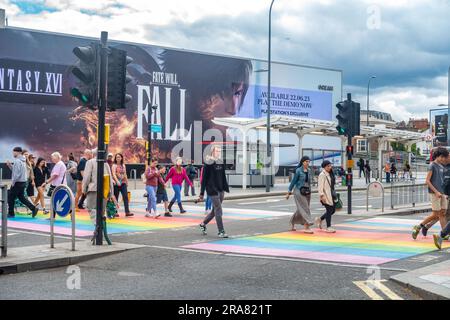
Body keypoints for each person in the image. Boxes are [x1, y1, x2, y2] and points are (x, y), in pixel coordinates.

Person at [412, 147, 450, 240]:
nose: (444, 159)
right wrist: (436, 192)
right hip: (434, 193)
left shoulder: (441, 166)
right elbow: (427, 181)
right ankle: (420, 226)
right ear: (439, 156)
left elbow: (442, 181)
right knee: (437, 214)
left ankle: (443, 234)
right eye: (443, 157)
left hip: (442, 193)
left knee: (443, 213)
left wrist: (444, 193)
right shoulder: (432, 165)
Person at [198, 145, 230, 238]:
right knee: (219, 209)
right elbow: (204, 179)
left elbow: (223, 176)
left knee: (214, 211)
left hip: (220, 190)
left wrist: (225, 188)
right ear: (212, 152)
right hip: (212, 190)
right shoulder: (208, 163)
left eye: (219, 151)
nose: (218, 152)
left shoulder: (220, 162)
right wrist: (201, 193)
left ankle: (203, 224)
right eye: (217, 151)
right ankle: (221, 231)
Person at [82, 149, 117, 227]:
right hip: (105, 190)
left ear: (92, 154)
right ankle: (101, 224)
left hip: (93, 189)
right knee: (101, 210)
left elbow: (86, 177)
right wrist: (111, 193)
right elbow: (110, 179)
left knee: (91, 207)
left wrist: (84, 188)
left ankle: (97, 225)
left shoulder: (90, 162)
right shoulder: (106, 164)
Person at [6, 147, 38, 218]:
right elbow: (16, 171)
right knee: (21, 197)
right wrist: (10, 166)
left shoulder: (17, 161)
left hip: (17, 182)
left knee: (10, 197)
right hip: (23, 182)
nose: (13, 154)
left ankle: (11, 213)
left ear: (17, 152)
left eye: (13, 152)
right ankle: (33, 208)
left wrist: (13, 182)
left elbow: (16, 174)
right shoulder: (23, 160)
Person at [286, 156, 314, 233]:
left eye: (308, 161)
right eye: (306, 161)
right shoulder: (298, 170)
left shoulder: (309, 170)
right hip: (298, 191)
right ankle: (307, 226)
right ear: (302, 162)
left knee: (301, 209)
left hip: (307, 191)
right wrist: (289, 192)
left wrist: (310, 192)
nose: (308, 163)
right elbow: (293, 182)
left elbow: (309, 183)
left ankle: (292, 222)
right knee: (305, 208)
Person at [316, 160, 337, 233]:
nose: (330, 167)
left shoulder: (330, 173)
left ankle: (320, 219)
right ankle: (328, 227)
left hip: (331, 195)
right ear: (324, 167)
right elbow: (320, 186)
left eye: (330, 166)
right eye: (328, 166)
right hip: (325, 196)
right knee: (329, 210)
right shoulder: (322, 174)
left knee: (333, 210)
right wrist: (322, 195)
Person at [112, 153, 133, 218]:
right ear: (115, 158)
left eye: (119, 157)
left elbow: (125, 173)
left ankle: (127, 212)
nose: (118, 158)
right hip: (116, 184)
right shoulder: (114, 165)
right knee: (116, 197)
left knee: (125, 197)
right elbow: (113, 174)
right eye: (117, 157)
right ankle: (115, 212)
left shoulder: (123, 165)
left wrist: (127, 181)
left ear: (121, 158)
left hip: (123, 183)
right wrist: (117, 181)